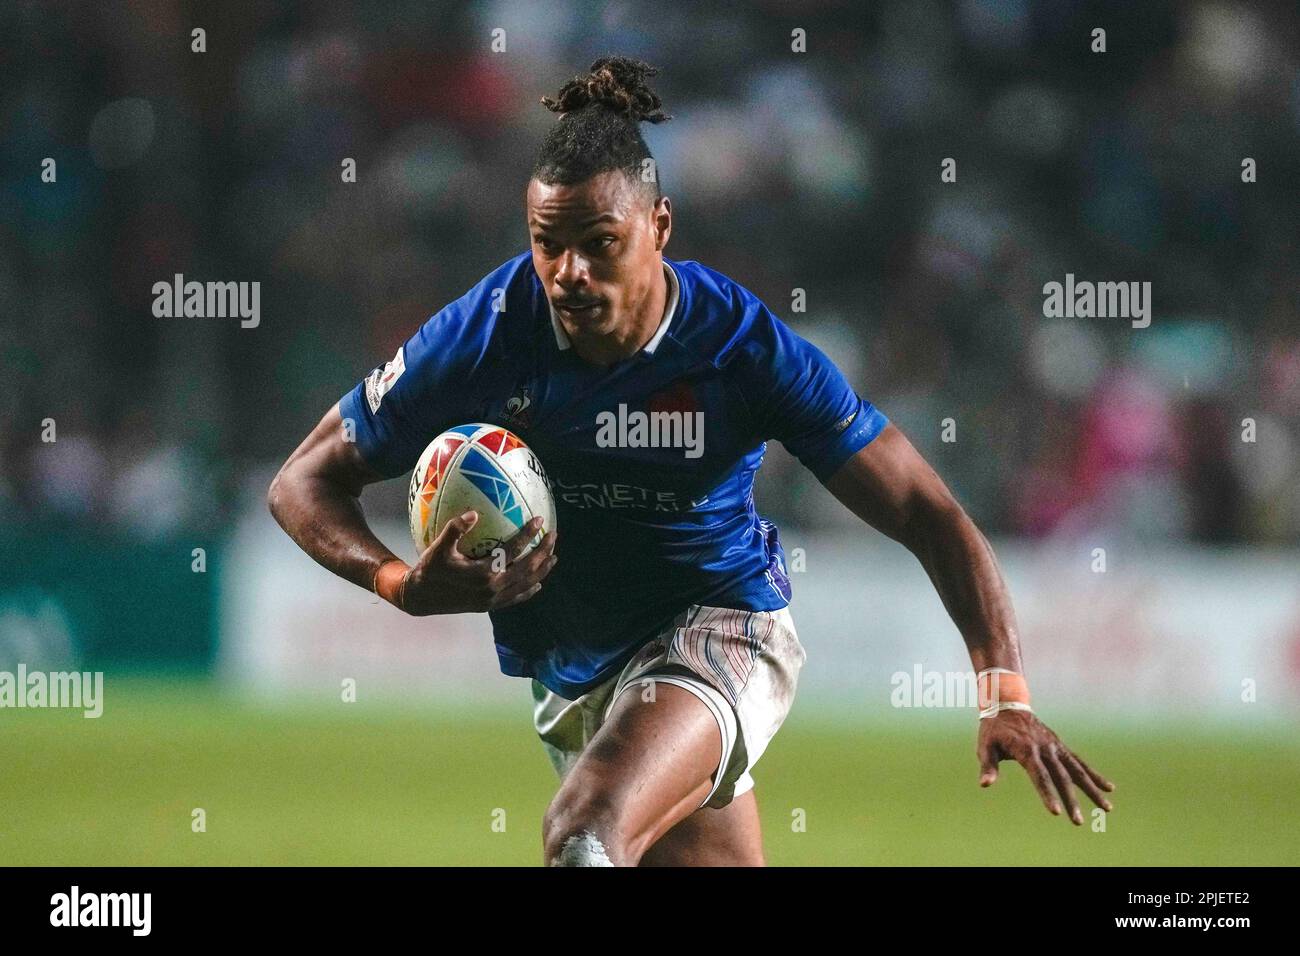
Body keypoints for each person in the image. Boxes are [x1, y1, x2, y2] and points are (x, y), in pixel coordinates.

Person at [268, 56, 1114, 867]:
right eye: (546, 243)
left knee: (585, 833)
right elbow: (302, 483)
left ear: (659, 228)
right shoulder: (487, 333)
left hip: (722, 628)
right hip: (578, 676)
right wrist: (398, 585)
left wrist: (1004, 688)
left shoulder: (740, 348)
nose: (569, 273)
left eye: (600, 242)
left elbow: (926, 510)